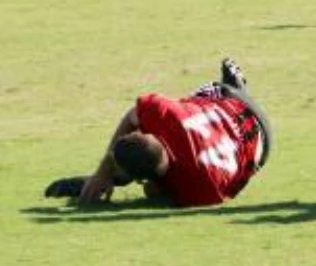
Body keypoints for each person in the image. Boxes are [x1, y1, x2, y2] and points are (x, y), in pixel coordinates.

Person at [44, 58, 272, 207]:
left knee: (204, 95)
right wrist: (104, 170)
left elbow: (159, 191)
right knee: (201, 97)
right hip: (235, 110)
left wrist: (106, 174)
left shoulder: (199, 187)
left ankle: (236, 85)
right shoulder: (162, 115)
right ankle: (234, 87)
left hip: (260, 139)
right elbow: (132, 116)